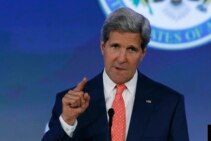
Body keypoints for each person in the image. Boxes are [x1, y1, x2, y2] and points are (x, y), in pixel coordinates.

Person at [42, 7, 189, 141]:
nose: (121, 58)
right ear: (103, 47)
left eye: (131, 49)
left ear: (143, 54)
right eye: (115, 46)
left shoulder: (169, 103)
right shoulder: (69, 103)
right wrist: (67, 121)